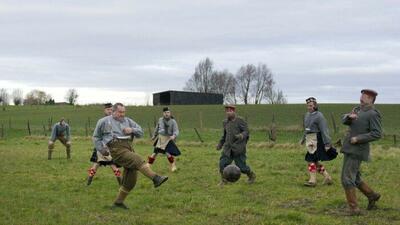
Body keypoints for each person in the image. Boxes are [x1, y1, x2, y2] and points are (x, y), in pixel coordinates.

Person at [93, 103, 168, 209]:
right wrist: (101, 149)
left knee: (131, 179)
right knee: (137, 159)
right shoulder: (103, 121)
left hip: (128, 147)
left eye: (124, 112)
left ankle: (118, 203)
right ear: (113, 111)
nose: (122, 114)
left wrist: (131, 130)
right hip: (115, 149)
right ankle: (156, 178)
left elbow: (141, 132)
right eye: (120, 112)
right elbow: (96, 137)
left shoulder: (128, 121)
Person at [341, 89, 382, 215]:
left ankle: (354, 209)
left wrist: (358, 138)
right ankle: (372, 195)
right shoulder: (357, 109)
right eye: (361, 95)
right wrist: (348, 117)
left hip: (358, 150)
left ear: (371, 99)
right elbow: (343, 120)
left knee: (347, 178)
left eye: (364, 96)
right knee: (355, 177)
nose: (361, 97)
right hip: (349, 148)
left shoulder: (373, 114)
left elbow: (377, 134)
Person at [301, 97, 337, 187]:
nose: (309, 107)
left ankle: (312, 180)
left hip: (317, 140)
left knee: (310, 160)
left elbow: (324, 130)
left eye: (310, 106)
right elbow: (306, 129)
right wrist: (303, 139)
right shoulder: (307, 115)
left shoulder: (319, 116)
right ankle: (327, 177)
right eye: (308, 106)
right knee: (315, 161)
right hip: (309, 139)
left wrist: (327, 143)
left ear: (315, 106)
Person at [216, 105, 256, 185]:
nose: (228, 113)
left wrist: (241, 135)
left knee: (242, 167)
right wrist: (220, 144)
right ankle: (224, 181)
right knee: (222, 164)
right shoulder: (225, 122)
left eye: (230, 111)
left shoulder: (240, 121)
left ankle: (251, 175)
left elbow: (246, 131)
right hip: (228, 149)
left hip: (238, 148)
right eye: (227, 111)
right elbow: (225, 135)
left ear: (234, 111)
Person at [87, 103, 122, 186]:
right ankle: (88, 182)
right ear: (104, 110)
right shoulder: (101, 121)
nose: (110, 111)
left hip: (112, 147)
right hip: (101, 147)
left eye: (111, 110)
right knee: (96, 165)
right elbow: (96, 135)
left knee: (113, 165)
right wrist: (100, 148)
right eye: (108, 110)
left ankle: (121, 183)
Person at [147, 107, 181, 172]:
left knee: (168, 153)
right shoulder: (160, 120)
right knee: (155, 153)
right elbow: (157, 128)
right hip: (160, 138)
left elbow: (176, 131)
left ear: (170, 113)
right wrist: (154, 136)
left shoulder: (173, 121)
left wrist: (174, 136)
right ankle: (148, 165)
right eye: (165, 112)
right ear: (163, 113)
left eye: (168, 112)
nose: (166, 114)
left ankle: (173, 166)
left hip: (168, 138)